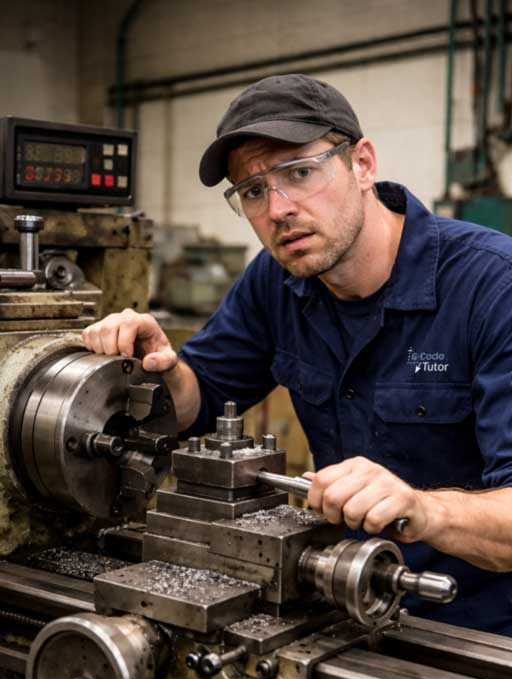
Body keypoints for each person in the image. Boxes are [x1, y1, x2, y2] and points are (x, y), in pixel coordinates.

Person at [83, 74, 512, 635]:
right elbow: (200, 398)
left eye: (299, 172)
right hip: (344, 607)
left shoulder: (492, 287)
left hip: (478, 634)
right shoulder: (275, 281)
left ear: (362, 164)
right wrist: (159, 367)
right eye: (253, 191)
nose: (278, 209)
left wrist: (423, 509)